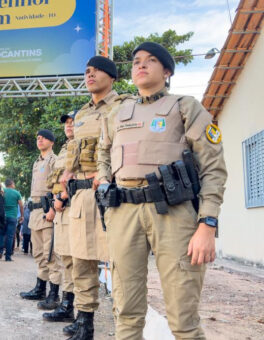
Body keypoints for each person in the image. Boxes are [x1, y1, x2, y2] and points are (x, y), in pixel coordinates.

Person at [97, 42, 227, 339]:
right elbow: (103, 154)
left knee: (183, 319)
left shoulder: (185, 106)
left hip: (173, 213)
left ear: (167, 71)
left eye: (151, 60)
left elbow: (213, 168)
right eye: (136, 61)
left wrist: (207, 224)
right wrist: (104, 180)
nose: (141, 65)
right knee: (126, 312)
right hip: (123, 212)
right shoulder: (117, 114)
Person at [60, 56, 120, 338]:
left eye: (96, 70)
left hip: (112, 192)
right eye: (86, 71)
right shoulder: (82, 113)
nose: (90, 75)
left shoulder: (125, 106)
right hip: (82, 195)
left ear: (111, 76)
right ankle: (85, 323)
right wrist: (68, 174)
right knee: (82, 260)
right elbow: (75, 151)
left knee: (118, 260)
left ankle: (126, 324)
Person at [20, 129, 63, 311]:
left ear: (52, 142)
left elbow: (58, 185)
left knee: (50, 254)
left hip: (48, 210)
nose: (40, 140)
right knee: (38, 253)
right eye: (38, 138)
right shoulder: (37, 162)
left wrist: (53, 208)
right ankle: (40, 288)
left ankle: (54, 295)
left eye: (44, 138)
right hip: (35, 211)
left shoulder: (55, 160)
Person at [43, 111, 77, 324]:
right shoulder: (66, 147)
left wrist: (61, 199)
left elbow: (73, 176)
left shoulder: (80, 145)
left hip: (72, 203)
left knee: (75, 260)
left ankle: (72, 307)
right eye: (66, 123)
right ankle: (67, 305)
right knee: (64, 256)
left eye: (73, 122)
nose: (69, 126)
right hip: (60, 206)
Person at [0, 179, 24, 262]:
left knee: (1, 234)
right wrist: (22, 216)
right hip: (13, 217)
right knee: (10, 237)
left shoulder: (2, 191)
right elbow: (21, 206)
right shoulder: (17, 193)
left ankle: (0, 251)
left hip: (3, 216)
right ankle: (8, 257)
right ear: (12, 184)